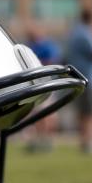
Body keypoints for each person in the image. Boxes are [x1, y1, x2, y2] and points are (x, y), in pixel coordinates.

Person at [65, 9, 92, 154]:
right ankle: (89, 143)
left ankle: (85, 142)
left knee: (84, 114)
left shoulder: (75, 32)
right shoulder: (87, 33)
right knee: (91, 114)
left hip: (80, 78)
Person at [25, 24, 61, 152]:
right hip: (36, 85)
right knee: (38, 114)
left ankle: (47, 140)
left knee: (47, 114)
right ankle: (41, 140)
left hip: (47, 84)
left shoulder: (47, 46)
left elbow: (51, 61)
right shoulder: (30, 47)